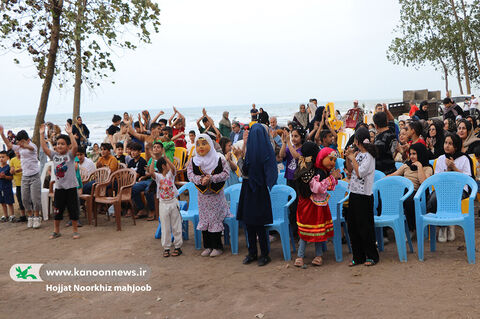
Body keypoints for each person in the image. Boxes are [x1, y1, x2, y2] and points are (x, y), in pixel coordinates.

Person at [293, 143, 341, 267]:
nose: (332, 162)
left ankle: (306, 255)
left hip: (310, 204)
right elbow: (317, 188)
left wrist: (331, 177)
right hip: (311, 205)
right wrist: (331, 178)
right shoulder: (314, 170)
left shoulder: (304, 167)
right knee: (312, 229)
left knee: (316, 230)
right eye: (330, 159)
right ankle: (308, 255)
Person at [237, 124, 277, 266]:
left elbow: (245, 171)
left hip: (255, 190)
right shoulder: (256, 150)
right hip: (252, 190)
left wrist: (240, 158)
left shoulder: (261, 152)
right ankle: (254, 253)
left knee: (258, 224)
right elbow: (246, 171)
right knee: (251, 223)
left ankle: (263, 254)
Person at [187, 134, 231, 257]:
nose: (201, 147)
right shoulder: (194, 160)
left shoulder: (219, 159)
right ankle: (208, 246)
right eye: (198, 144)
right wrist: (200, 180)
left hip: (216, 197)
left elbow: (226, 173)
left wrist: (212, 178)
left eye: (204, 143)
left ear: (210, 144)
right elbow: (190, 175)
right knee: (205, 219)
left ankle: (217, 246)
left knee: (214, 219)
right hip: (203, 197)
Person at [344, 127, 379, 266]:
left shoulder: (369, 157)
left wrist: (353, 158)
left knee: (365, 227)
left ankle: (372, 256)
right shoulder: (358, 154)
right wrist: (349, 158)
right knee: (353, 227)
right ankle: (358, 256)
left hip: (364, 196)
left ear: (357, 141)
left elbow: (360, 173)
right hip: (354, 193)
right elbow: (350, 170)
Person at [40, 122, 80, 239]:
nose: (60, 146)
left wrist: (70, 134)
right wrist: (42, 135)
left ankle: (75, 230)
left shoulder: (70, 155)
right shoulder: (54, 155)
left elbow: (76, 147)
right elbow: (44, 148)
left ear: (68, 146)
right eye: (58, 144)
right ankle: (56, 231)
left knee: (73, 210)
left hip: (71, 187)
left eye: (63, 144)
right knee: (58, 210)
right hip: (59, 188)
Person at [430, 133, 472, 242]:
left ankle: (451, 225)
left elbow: (467, 179)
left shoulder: (464, 159)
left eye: (450, 144)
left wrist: (453, 167)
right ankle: (443, 227)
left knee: (448, 197)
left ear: (456, 146)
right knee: (433, 199)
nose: (447, 146)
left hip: (460, 189)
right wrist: (448, 170)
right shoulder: (440, 159)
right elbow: (437, 179)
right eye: (445, 143)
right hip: (443, 188)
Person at [0, 127, 42, 229]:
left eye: (21, 141)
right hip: (25, 177)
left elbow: (31, 149)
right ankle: (30, 216)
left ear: (27, 140)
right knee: (24, 199)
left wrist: (25, 145)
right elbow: (9, 145)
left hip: (35, 176)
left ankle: (37, 217)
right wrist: (2, 134)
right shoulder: (19, 147)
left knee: (35, 199)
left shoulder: (33, 146)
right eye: (19, 142)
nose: (19, 143)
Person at [388, 143, 433, 234]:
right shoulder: (406, 166)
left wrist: (419, 166)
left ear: (420, 154)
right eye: (410, 154)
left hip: (418, 193)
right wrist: (380, 181)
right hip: (403, 191)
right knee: (385, 197)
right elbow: (393, 175)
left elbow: (423, 183)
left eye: (414, 154)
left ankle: (412, 228)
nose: (411, 156)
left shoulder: (427, 168)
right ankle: (386, 232)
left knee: (408, 199)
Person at [150, 149, 183, 257]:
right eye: (166, 164)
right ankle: (167, 247)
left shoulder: (170, 175)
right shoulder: (158, 177)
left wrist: (166, 158)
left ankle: (178, 246)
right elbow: (151, 172)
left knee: (176, 225)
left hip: (173, 202)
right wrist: (153, 160)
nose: (168, 166)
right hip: (163, 204)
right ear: (163, 166)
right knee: (165, 226)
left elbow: (173, 168)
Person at [278, 127, 304, 235]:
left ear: (302, 137)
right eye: (292, 136)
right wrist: (284, 142)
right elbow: (281, 155)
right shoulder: (289, 146)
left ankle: (301, 231)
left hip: (299, 180)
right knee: (292, 207)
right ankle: (294, 233)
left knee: (299, 206)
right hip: (290, 180)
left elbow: (296, 156)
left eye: (296, 136)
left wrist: (288, 142)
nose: (293, 138)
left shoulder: (303, 149)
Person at [373, 107, 397, 175]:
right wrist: (386, 110)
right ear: (386, 121)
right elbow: (392, 119)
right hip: (393, 168)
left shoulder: (379, 140)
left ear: (376, 126)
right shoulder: (392, 130)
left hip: (383, 173)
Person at [9, 151, 26, 222]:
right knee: (20, 199)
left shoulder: (25, 159)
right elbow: (11, 171)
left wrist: (21, 169)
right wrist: (12, 171)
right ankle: (23, 216)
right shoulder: (13, 160)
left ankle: (32, 214)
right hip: (18, 183)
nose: (18, 152)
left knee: (27, 199)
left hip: (25, 182)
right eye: (16, 151)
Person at [0, 151, 14, 222]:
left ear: (7, 158)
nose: (1, 159)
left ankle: (12, 215)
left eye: (3, 157)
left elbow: (11, 177)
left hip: (7, 187)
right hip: (0, 188)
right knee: (2, 202)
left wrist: (5, 176)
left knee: (9, 202)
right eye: (0, 157)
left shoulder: (8, 167)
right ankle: (5, 215)